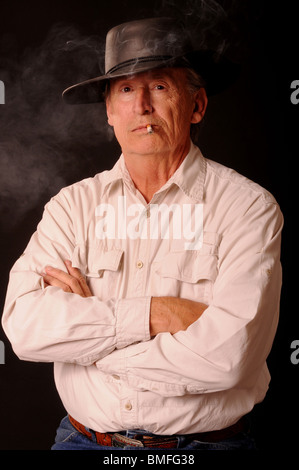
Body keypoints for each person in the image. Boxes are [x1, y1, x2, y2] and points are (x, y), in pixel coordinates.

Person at [2, 17, 283, 450]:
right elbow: (23, 327)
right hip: (84, 442)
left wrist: (92, 343)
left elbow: (229, 360)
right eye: (127, 90)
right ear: (110, 112)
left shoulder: (247, 208)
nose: (142, 106)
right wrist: (159, 314)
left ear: (197, 105)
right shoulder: (72, 207)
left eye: (161, 87)